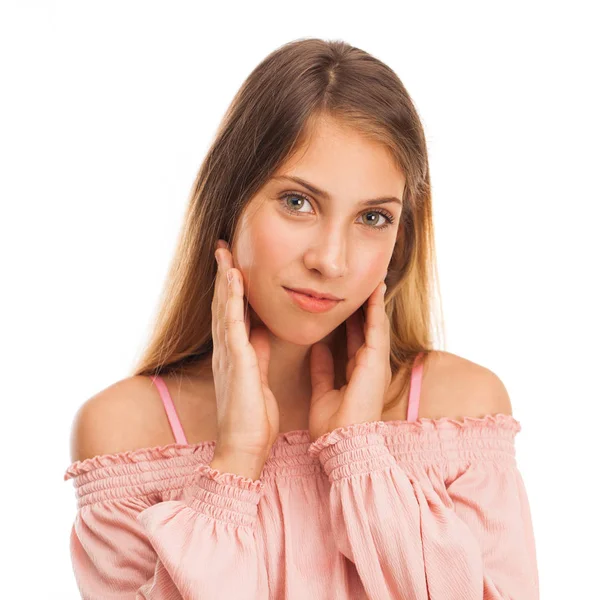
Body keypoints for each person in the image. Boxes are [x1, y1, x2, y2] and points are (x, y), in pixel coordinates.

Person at [64, 38, 540, 599]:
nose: (331, 260)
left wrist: (359, 456)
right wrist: (235, 463)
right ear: (229, 202)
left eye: (372, 216)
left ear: (401, 236)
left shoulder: (463, 412)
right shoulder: (124, 434)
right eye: (298, 202)